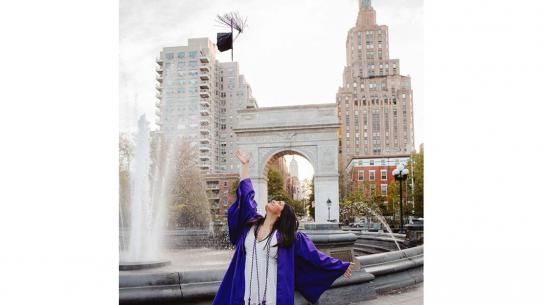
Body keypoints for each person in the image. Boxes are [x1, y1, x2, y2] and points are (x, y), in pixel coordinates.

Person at [212, 149, 354, 305]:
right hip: (244, 292)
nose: (275, 201)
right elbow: (246, 197)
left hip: (273, 295)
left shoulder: (288, 238)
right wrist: (245, 166)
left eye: (280, 203)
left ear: (281, 215)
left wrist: (340, 266)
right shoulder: (250, 226)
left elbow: (314, 256)